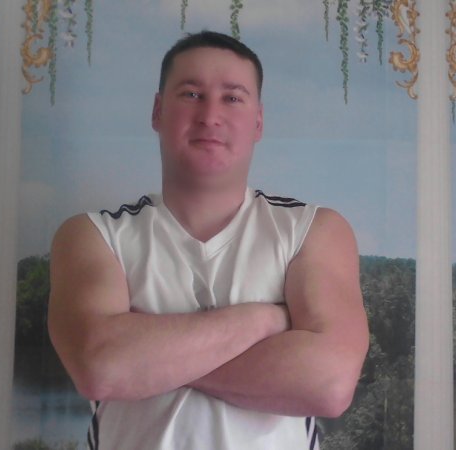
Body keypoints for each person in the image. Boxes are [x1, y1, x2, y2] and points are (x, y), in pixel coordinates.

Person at [48, 30, 369, 450]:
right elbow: (100, 368)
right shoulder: (92, 235)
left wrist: (147, 359)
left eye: (232, 97)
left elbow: (329, 384)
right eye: (191, 94)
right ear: (158, 111)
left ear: (258, 121)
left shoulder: (313, 230)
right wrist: (265, 320)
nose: (210, 115)